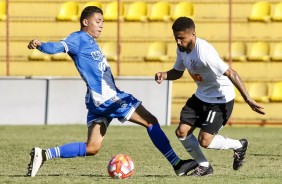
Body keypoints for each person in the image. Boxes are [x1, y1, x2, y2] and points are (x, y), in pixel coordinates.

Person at [26, 7, 198, 177]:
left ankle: (44, 154)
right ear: (86, 22)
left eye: (103, 22)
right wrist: (41, 45)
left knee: (92, 148)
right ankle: (177, 164)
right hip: (108, 98)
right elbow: (57, 47)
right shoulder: (78, 38)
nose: (101, 25)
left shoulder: (90, 42)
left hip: (98, 100)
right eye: (98, 21)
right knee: (151, 121)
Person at [155, 17, 265, 176]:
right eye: (176, 38)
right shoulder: (181, 49)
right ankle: (204, 166)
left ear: (193, 34)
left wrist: (248, 99)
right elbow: (178, 72)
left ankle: (239, 145)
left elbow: (231, 72)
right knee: (182, 132)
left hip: (220, 99)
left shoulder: (204, 52)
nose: (178, 42)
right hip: (201, 96)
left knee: (205, 141)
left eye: (181, 38)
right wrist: (164, 75)